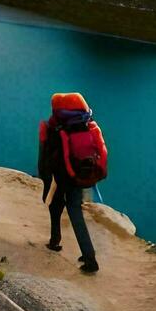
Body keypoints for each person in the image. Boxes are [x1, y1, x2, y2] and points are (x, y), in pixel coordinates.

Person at [37, 91, 108, 274]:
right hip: (79, 176)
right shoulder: (87, 125)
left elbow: (43, 157)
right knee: (76, 211)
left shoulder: (51, 127)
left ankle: (57, 242)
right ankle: (87, 254)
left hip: (60, 177)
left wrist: (45, 178)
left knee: (55, 206)